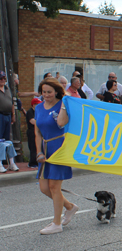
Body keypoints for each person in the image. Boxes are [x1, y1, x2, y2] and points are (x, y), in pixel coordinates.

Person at [35, 78, 78, 235]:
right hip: (45, 149)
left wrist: (65, 105)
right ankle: (69, 207)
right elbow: (37, 132)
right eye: (44, 92)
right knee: (44, 188)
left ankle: (57, 223)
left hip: (59, 147)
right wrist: (38, 151)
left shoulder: (64, 104)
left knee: (54, 187)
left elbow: (62, 123)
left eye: (49, 92)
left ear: (56, 92)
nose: (46, 95)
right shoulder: (39, 108)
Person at [26, 98, 42, 168]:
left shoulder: (38, 112)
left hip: (38, 131)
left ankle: (37, 161)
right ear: (33, 105)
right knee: (33, 147)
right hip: (32, 131)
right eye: (37, 104)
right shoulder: (30, 112)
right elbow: (32, 121)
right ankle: (32, 163)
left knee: (38, 146)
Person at [0, 71, 15, 142]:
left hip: (8, 115)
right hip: (1, 115)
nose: (3, 80)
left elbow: (11, 102)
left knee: (7, 138)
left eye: (4, 78)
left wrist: (13, 114)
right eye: (1, 78)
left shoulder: (7, 89)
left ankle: (5, 152)